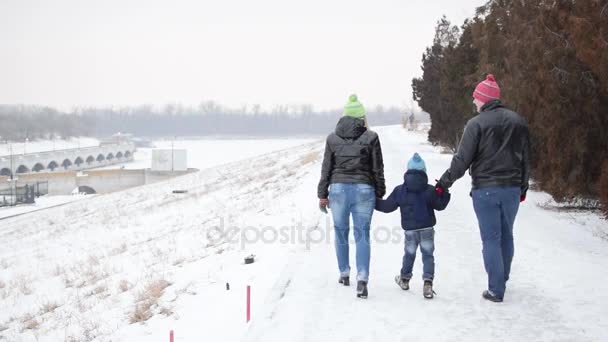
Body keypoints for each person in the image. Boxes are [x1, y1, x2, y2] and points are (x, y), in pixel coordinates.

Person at [436, 74, 530, 302]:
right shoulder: (518, 122)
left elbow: (462, 159)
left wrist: (443, 183)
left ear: (484, 99)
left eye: (476, 98)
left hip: (485, 190)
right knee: (506, 236)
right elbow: (526, 158)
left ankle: (496, 289)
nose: (473, 101)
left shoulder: (475, 124)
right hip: (511, 189)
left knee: (491, 238)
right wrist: (523, 187)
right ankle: (502, 279)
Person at [318, 94, 386, 299]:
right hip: (364, 189)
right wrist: (380, 191)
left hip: (338, 189)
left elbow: (326, 169)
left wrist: (322, 194)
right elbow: (378, 168)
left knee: (340, 233)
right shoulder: (371, 137)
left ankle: (344, 273)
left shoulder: (332, 138)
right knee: (362, 235)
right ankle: (362, 279)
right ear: (362, 117)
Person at [375, 153, 450, 299]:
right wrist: (444, 192)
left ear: (408, 171)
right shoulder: (429, 190)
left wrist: (372, 200)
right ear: (424, 172)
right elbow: (440, 205)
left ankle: (404, 279)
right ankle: (428, 284)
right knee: (428, 255)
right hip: (427, 228)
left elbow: (387, 207)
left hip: (410, 230)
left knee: (409, 254)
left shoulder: (400, 190)